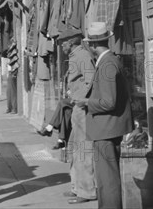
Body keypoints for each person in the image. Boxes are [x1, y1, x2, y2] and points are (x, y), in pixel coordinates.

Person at [79, 22, 133, 209]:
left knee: (107, 180)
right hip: (107, 128)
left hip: (106, 130)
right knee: (105, 179)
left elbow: (109, 101)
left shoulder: (108, 63)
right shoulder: (107, 61)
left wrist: (86, 102)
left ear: (92, 45)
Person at [58, 27, 97, 204]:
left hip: (82, 109)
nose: (60, 46)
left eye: (62, 42)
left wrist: (82, 100)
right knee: (75, 148)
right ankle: (76, 186)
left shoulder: (82, 56)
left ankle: (87, 191)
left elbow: (91, 80)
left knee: (83, 151)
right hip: (77, 108)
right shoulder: (76, 56)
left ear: (71, 42)